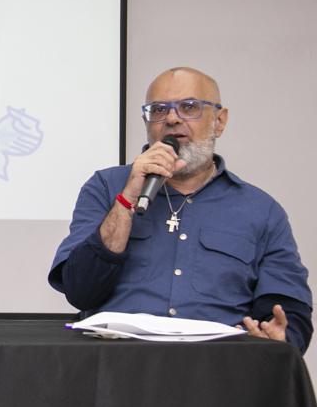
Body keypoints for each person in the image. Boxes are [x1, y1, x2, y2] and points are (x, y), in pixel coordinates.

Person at [49, 67, 312, 351]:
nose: (172, 119)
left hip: (217, 364)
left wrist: (280, 337)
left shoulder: (261, 209)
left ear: (219, 121)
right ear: (146, 122)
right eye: (159, 110)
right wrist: (128, 198)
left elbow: (286, 309)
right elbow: (80, 291)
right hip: (119, 360)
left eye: (189, 107)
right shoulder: (105, 186)